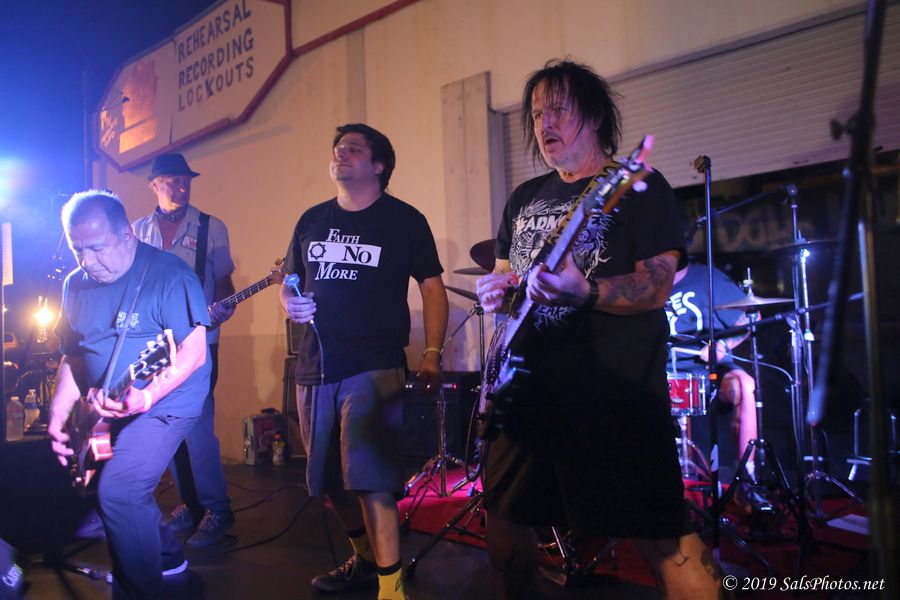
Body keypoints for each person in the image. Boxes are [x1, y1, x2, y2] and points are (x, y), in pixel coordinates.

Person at [474, 59, 721, 599]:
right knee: (505, 521)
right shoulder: (524, 198)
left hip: (611, 396)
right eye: (536, 113)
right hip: (526, 394)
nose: (544, 122)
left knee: (663, 537)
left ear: (593, 115)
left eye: (557, 109)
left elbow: (656, 285)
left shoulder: (637, 185)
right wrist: (497, 291)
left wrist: (584, 291)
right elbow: (506, 276)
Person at [280, 123, 448, 600]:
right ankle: (368, 561)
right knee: (331, 483)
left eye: (353, 148)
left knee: (371, 480)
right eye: (337, 147)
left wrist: (432, 353)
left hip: (374, 362)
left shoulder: (404, 220)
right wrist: (290, 304)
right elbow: (289, 283)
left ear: (378, 165)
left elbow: (432, 288)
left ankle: (392, 588)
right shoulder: (311, 219)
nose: (340, 153)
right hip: (315, 366)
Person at [47, 190, 211, 598]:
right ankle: (167, 555)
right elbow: (74, 355)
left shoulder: (169, 275)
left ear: (126, 235)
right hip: (106, 407)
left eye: (97, 248)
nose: (87, 260)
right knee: (104, 486)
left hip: (166, 403)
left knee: (119, 491)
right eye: (77, 249)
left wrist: (147, 397)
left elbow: (193, 352)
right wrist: (59, 414)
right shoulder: (74, 285)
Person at [133, 153, 236, 548]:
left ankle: (217, 509)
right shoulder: (137, 231)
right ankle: (191, 506)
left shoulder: (212, 227)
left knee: (197, 427)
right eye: (172, 180)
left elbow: (225, 285)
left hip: (198, 345)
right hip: (155, 349)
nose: (181, 186)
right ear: (153, 185)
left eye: (185, 180)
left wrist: (222, 310)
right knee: (166, 427)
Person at [665, 262, 759, 483]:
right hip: (663, 373)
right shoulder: (644, 283)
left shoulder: (707, 277)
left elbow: (750, 317)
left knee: (744, 385)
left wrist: (722, 346)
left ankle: (747, 477)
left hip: (709, 371)